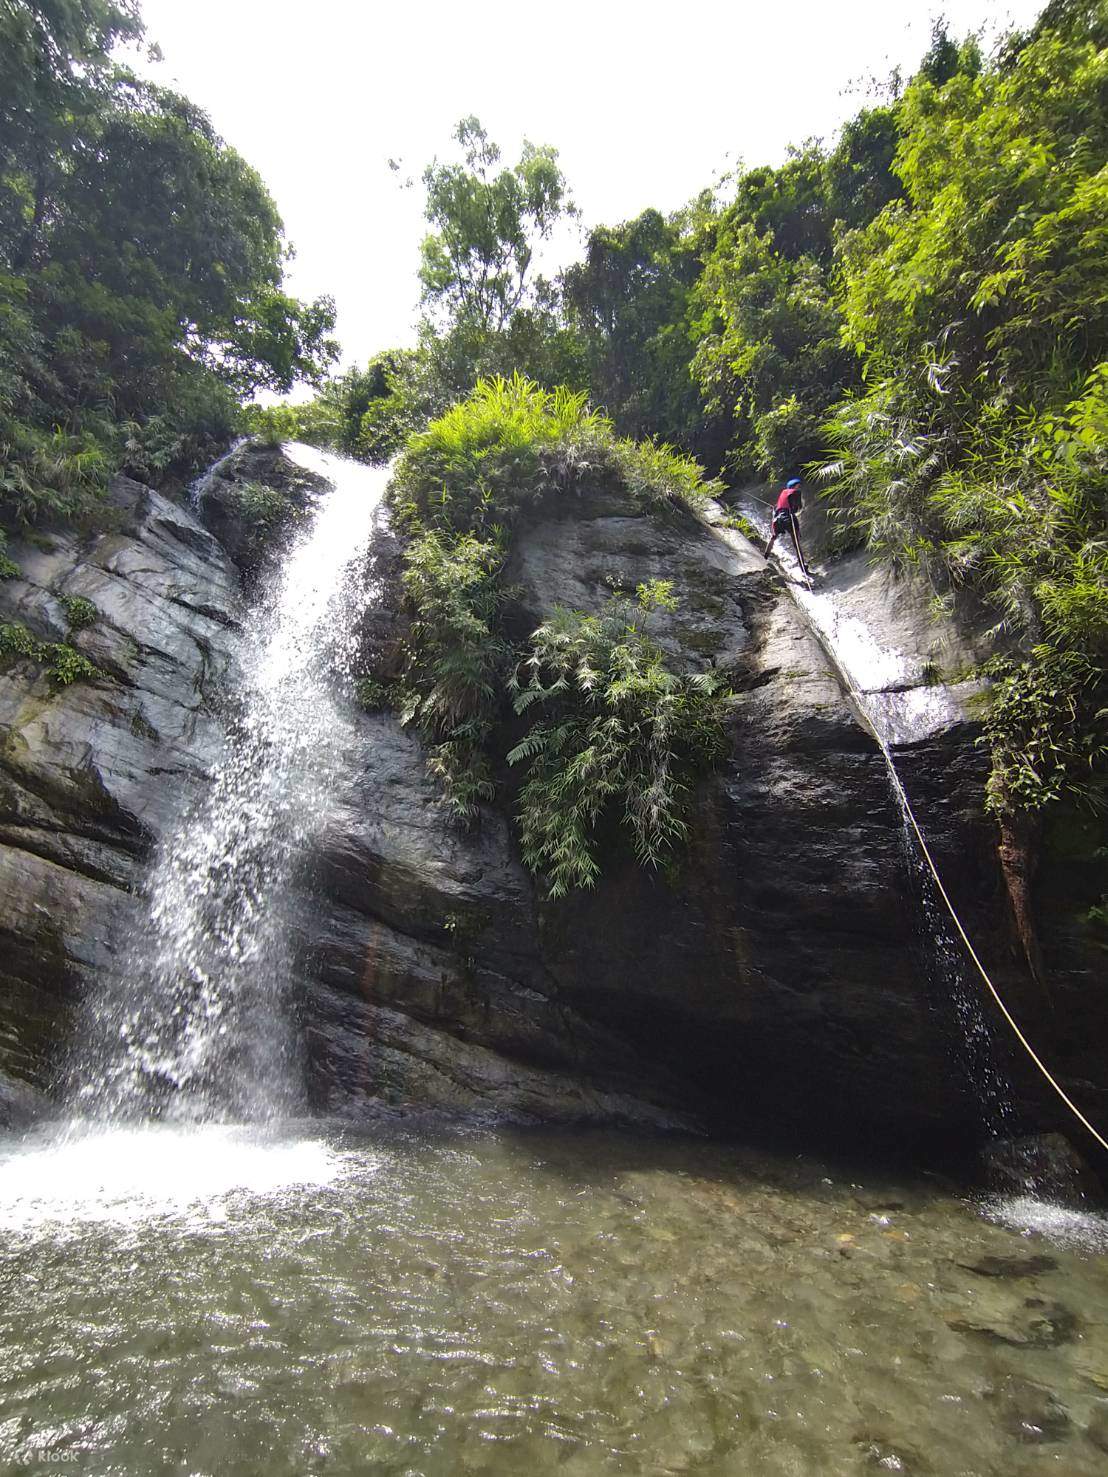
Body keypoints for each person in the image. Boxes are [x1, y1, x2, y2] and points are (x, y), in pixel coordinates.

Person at [762, 477, 810, 577]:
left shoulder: (783, 493)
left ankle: (764, 558)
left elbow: (779, 507)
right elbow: (797, 508)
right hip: (788, 517)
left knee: (773, 537)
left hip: (778, 518)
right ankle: (803, 567)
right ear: (794, 486)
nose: (799, 487)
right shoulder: (795, 492)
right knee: (796, 543)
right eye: (798, 485)